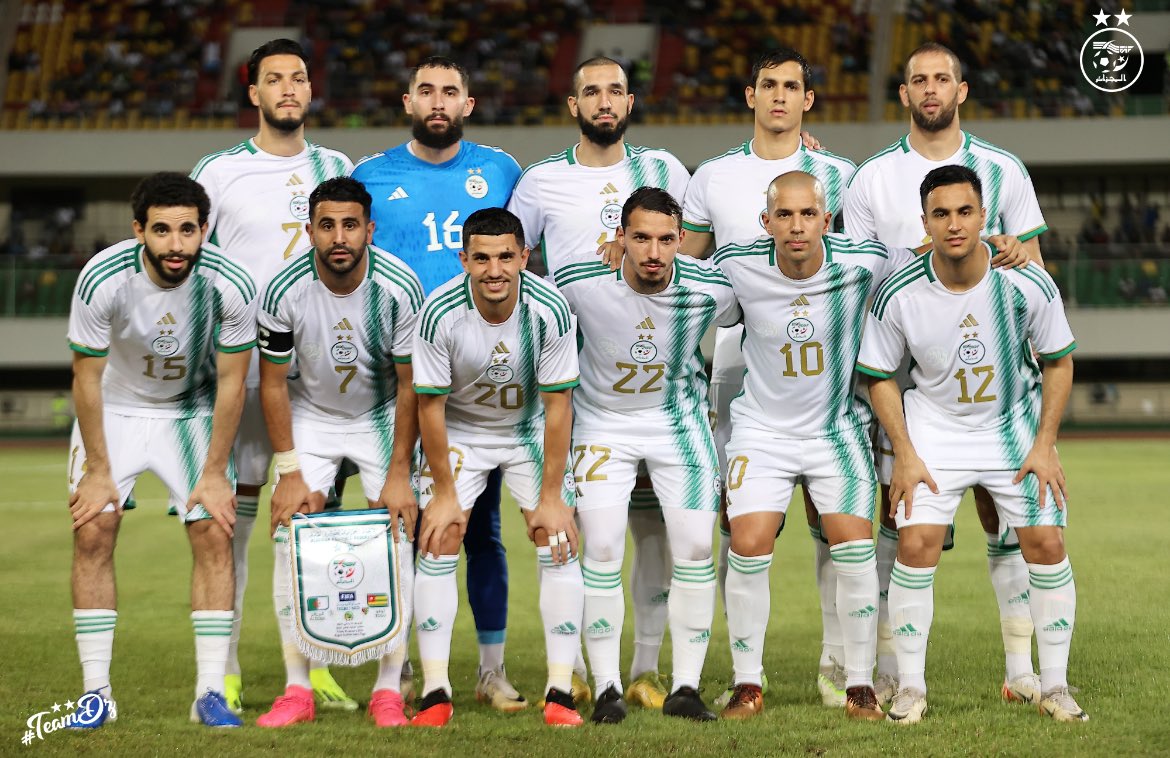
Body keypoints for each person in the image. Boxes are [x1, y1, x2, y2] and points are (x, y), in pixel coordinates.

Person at [843, 42, 1048, 706]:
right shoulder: (872, 178)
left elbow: (1035, 272)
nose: (930, 88)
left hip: (989, 375)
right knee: (898, 512)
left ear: (961, 90)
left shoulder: (1004, 169)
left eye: (942, 79)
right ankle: (889, 668)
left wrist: (1014, 251)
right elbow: (857, 275)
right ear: (904, 93)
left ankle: (1021, 668)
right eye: (918, 80)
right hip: (898, 364)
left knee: (1001, 512)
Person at [857, 165, 1085, 724]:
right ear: (925, 222)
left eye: (965, 212)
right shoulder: (899, 291)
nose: (954, 224)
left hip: (1011, 425)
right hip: (934, 428)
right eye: (941, 214)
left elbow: (1058, 362)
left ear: (985, 216)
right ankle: (910, 687)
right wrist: (905, 452)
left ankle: (1054, 686)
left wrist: (1045, 444)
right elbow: (878, 375)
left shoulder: (1027, 281)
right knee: (916, 545)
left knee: (1046, 543)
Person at [508, 56, 690, 708]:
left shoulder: (665, 169)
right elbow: (516, 264)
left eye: (615, 90)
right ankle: (575, 666)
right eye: (592, 91)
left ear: (631, 101)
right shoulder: (541, 182)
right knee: (573, 533)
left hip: (654, 384)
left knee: (655, 532)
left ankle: (644, 669)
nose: (604, 101)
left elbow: (692, 251)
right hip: (574, 387)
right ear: (574, 104)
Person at [349, 56, 528, 710]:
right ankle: (398, 666)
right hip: (396, 378)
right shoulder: (370, 176)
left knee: (481, 532)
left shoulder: (502, 171)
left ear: (468, 104)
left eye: (450, 91)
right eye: (426, 90)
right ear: (407, 101)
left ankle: (490, 669)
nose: (437, 101)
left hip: (479, 382)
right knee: (402, 527)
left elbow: (525, 252)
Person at [681, 46, 857, 708]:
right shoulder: (714, 176)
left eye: (791, 86)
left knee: (828, 518)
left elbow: (863, 262)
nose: (779, 96)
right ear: (750, 95)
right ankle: (744, 674)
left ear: (808, 100)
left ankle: (837, 663)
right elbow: (685, 269)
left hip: (826, 371)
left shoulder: (840, 175)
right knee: (741, 524)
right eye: (768, 85)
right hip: (739, 364)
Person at [712, 171, 917, 722]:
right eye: (785, 215)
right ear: (766, 222)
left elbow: (932, 260)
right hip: (762, 431)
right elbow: (673, 279)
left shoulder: (864, 260)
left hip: (835, 430)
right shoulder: (736, 265)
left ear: (827, 220)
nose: (797, 226)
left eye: (808, 214)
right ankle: (747, 684)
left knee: (854, 551)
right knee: (747, 545)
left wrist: (1002, 247)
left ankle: (859, 687)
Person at [189, 38, 356, 713]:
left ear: (311, 90)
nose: (289, 88)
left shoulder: (337, 166)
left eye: (299, 77)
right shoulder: (219, 171)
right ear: (253, 92)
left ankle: (315, 665)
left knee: (311, 527)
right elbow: (194, 268)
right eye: (275, 79)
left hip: (315, 383)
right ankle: (225, 670)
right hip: (241, 377)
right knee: (230, 525)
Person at [66, 172, 257, 728]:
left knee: (214, 533)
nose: (177, 244)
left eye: (188, 230)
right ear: (138, 230)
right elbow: (85, 376)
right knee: (93, 529)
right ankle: (96, 694)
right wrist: (98, 469)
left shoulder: (231, 283)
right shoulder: (102, 277)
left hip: (191, 411)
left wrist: (216, 472)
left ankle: (210, 693)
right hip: (115, 409)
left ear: (204, 230)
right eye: (163, 230)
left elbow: (232, 383)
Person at [554, 187, 739, 723]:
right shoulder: (578, 281)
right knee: (602, 549)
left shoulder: (712, 287)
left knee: (696, 551)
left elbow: (757, 308)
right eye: (640, 238)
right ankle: (607, 688)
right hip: (601, 425)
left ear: (682, 239)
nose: (653, 252)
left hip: (678, 426)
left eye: (665, 240)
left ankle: (685, 688)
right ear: (620, 237)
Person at [253, 177, 424, 728]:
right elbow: (272, 383)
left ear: (370, 229)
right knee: (288, 532)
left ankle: (388, 690)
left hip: (379, 414)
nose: (339, 237)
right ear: (310, 231)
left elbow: (410, 385)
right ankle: (297, 689)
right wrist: (288, 472)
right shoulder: (282, 290)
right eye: (327, 225)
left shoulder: (400, 285)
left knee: (397, 532)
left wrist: (399, 472)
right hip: (313, 414)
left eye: (350, 225)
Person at [410, 208, 584, 728]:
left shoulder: (551, 308)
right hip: (461, 431)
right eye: (482, 258)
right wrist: (444, 494)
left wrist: (551, 498)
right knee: (440, 536)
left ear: (524, 257)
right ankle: (435, 690)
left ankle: (560, 690)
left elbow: (558, 405)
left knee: (556, 537)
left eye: (506, 257)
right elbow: (430, 408)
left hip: (527, 428)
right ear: (463, 259)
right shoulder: (439, 312)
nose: (494, 270)